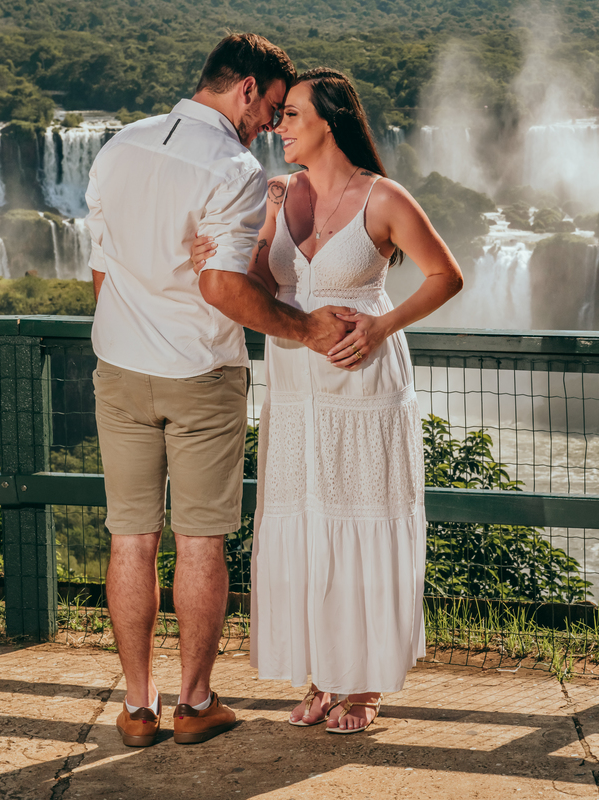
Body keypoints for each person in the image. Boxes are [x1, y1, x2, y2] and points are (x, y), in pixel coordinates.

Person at [87, 35, 353, 748]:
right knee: (200, 539)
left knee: (130, 538)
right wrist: (304, 329)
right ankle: (194, 703)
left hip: (118, 366)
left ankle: (138, 709)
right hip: (200, 371)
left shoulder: (119, 146)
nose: (271, 124)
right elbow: (222, 287)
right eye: (270, 108)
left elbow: (101, 275)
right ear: (245, 90)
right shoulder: (232, 166)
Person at [189, 67, 463, 734]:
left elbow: (445, 276)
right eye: (279, 116)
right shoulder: (278, 195)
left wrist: (380, 325)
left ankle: (363, 687)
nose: (278, 125)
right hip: (293, 386)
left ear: (331, 122)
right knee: (308, 524)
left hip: (364, 386)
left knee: (361, 520)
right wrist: (210, 259)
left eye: (292, 116)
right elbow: (254, 280)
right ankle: (322, 675)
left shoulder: (384, 199)